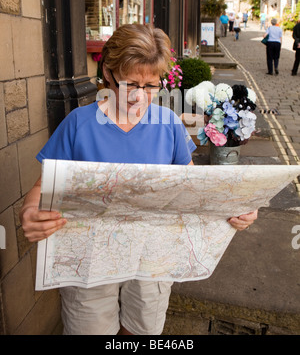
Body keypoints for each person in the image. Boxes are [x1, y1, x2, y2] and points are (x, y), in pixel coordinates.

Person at [19, 24, 257, 336]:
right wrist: (30, 212)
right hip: (89, 256)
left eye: (151, 86)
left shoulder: (169, 124)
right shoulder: (78, 124)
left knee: (142, 327)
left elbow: (192, 188)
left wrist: (234, 207)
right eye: (130, 84)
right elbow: (42, 188)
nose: (140, 97)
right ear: (108, 72)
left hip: (153, 252)